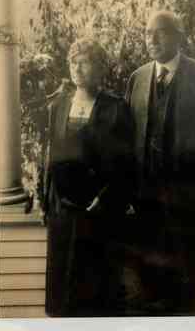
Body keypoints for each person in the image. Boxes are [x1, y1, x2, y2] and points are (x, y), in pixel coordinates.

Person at [125, 10, 195, 313]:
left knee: (187, 263)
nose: (152, 39)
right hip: (146, 193)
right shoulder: (137, 79)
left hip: (189, 190)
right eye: (147, 33)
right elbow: (127, 138)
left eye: (160, 32)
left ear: (178, 37)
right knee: (150, 263)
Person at [40, 38, 135, 316]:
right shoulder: (58, 106)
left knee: (95, 289)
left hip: (98, 210)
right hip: (63, 210)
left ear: (100, 67)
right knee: (63, 290)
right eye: (73, 62)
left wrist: (106, 200)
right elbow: (50, 157)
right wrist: (48, 201)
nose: (77, 68)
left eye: (84, 62)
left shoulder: (116, 108)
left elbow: (127, 165)